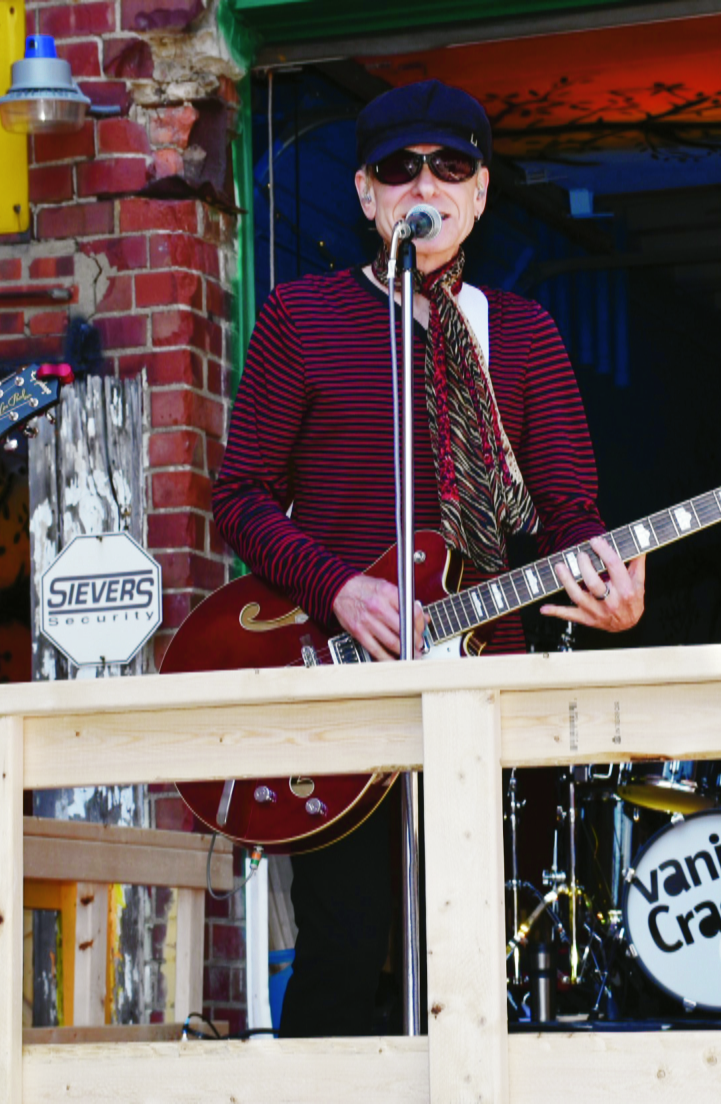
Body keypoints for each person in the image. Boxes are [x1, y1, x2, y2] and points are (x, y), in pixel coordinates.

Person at [212, 80, 644, 1037]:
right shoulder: (301, 316)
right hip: (342, 676)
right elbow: (239, 496)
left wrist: (608, 583)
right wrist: (339, 588)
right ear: (366, 193)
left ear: (480, 193)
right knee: (345, 944)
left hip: (481, 680)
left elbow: (569, 509)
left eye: (451, 167)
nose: (426, 185)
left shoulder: (522, 331)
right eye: (400, 167)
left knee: (464, 946)